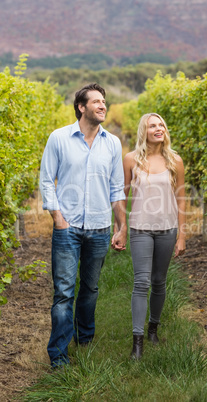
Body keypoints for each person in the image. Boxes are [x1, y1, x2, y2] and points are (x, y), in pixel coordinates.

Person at [39, 83, 127, 368]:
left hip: (100, 228)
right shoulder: (59, 138)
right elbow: (46, 180)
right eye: (97, 102)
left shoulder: (112, 142)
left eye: (104, 101)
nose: (103, 106)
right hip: (68, 227)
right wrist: (58, 219)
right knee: (64, 292)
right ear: (81, 106)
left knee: (90, 288)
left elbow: (116, 187)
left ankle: (85, 340)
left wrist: (121, 225)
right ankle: (59, 355)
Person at [123, 112, 186, 359]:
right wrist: (121, 227)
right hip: (140, 227)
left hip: (167, 229)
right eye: (152, 125)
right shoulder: (130, 160)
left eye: (161, 125)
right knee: (141, 282)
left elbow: (181, 200)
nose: (158, 129)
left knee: (159, 281)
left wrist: (182, 236)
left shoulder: (175, 161)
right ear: (144, 131)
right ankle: (137, 342)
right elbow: (123, 196)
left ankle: (153, 328)